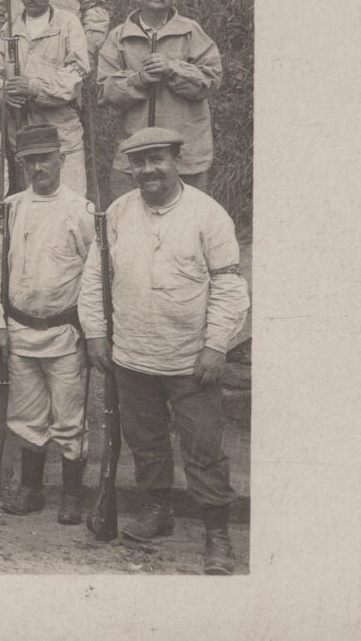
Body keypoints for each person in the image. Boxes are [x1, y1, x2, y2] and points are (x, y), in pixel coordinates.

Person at [78, 127, 249, 574]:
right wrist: (96, 333)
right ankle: (158, 511)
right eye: (139, 162)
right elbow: (95, 278)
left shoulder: (208, 216)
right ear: (129, 168)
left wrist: (216, 346)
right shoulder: (116, 213)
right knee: (146, 442)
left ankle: (217, 534)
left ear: (177, 160)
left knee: (204, 449)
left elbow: (230, 288)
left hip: (191, 361)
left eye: (158, 159)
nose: (149, 170)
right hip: (132, 356)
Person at [0, 125, 95, 523]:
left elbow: (96, 275)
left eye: (45, 158)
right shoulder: (9, 209)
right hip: (19, 332)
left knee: (69, 417)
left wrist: (94, 331)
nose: (37, 167)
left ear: (62, 159)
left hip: (66, 333)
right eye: (29, 161)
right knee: (26, 416)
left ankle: (72, 494)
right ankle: (31, 489)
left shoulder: (81, 211)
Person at [97, 0, 223, 200]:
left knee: (188, 223)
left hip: (186, 154)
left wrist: (173, 68)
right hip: (134, 153)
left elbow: (212, 78)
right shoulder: (119, 37)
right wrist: (139, 80)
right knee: (128, 221)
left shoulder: (191, 31)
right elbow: (105, 92)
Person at [0, 0, 91, 195]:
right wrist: (4, 92)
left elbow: (75, 78)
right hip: (23, 139)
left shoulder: (68, 25)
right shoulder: (10, 29)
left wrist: (34, 87)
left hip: (63, 140)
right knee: (31, 210)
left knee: (71, 206)